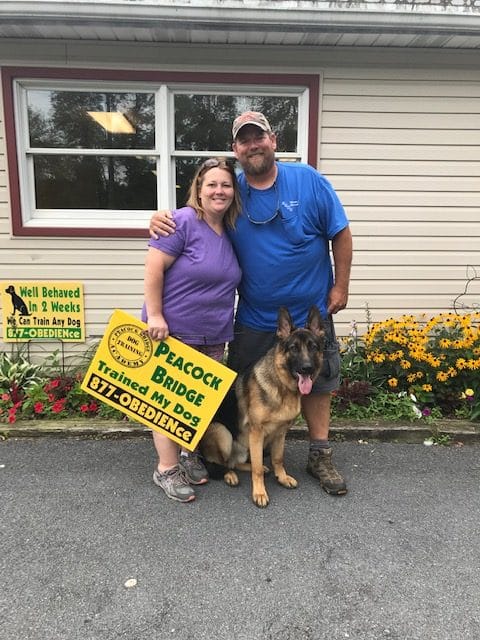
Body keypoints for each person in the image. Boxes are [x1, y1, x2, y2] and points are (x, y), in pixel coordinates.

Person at [150, 111, 353, 496]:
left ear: (273, 140)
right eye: (244, 140)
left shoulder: (308, 180)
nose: (252, 145)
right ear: (236, 149)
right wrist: (163, 219)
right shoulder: (232, 189)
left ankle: (319, 454)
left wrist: (341, 286)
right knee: (237, 394)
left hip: (310, 310)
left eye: (258, 137)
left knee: (318, 381)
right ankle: (222, 453)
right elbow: (198, 216)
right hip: (255, 317)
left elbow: (340, 233)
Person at [143, 157, 242, 503]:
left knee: (196, 402)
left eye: (226, 185)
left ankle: (189, 454)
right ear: (198, 190)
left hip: (214, 333)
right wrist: (155, 315)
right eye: (211, 184)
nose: (219, 191)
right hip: (173, 331)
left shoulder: (230, 231)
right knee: (167, 402)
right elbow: (154, 268)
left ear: (234, 192)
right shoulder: (181, 222)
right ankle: (166, 469)